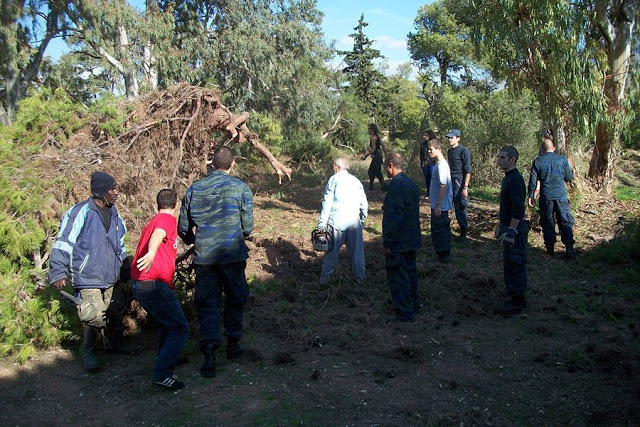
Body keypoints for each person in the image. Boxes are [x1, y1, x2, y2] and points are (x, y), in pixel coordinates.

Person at [178, 145, 254, 378]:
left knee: (208, 303)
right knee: (235, 298)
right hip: (232, 256)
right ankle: (233, 345)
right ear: (232, 165)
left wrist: (196, 239)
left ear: (212, 164)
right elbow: (248, 227)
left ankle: (209, 352)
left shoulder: (195, 189)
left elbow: (183, 227)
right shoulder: (241, 188)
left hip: (206, 258)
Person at [48, 171, 127, 371]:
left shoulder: (115, 213)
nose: (116, 192)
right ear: (101, 192)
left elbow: (121, 244)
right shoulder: (80, 212)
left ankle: (112, 344)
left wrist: (126, 266)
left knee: (113, 310)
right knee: (93, 315)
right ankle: (89, 352)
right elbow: (64, 242)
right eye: (112, 189)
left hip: (110, 275)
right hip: (87, 274)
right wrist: (58, 271)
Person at [131, 189, 190, 390]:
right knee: (180, 328)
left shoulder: (153, 220)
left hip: (144, 285)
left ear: (157, 203)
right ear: (175, 204)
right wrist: (152, 252)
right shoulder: (166, 220)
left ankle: (168, 358)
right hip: (153, 284)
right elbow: (159, 234)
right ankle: (163, 374)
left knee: (168, 325)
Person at [382, 152, 422, 322]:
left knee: (399, 278)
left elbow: (394, 216)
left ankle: (405, 313)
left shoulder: (396, 186)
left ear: (390, 165)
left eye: (385, 167)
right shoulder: (411, 183)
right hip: (411, 238)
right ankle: (414, 305)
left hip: (399, 241)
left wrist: (388, 241)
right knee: (410, 274)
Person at [317, 158, 368, 284]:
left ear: (337, 167)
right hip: (354, 222)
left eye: (333, 166)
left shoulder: (334, 180)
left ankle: (325, 281)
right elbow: (364, 203)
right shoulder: (355, 181)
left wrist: (321, 224)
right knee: (357, 253)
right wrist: (361, 219)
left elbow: (327, 203)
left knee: (331, 253)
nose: (332, 169)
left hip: (337, 221)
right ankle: (360, 280)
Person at [528, 137, 575, 257]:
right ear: (553, 148)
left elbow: (533, 180)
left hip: (546, 196)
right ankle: (569, 248)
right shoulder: (562, 160)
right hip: (561, 196)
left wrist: (531, 195)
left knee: (548, 222)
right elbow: (569, 178)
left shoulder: (538, 161)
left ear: (542, 149)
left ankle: (550, 250)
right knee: (565, 221)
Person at [495, 146, 529, 315]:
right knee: (509, 264)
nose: (499, 160)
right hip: (508, 226)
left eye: (502, 157)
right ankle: (512, 295)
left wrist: (511, 231)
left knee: (516, 264)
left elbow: (518, 209)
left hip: (515, 230)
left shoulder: (515, 180)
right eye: (499, 157)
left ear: (512, 159)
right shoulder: (507, 178)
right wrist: (501, 225)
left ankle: (517, 301)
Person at [427, 139, 453, 263]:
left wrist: (438, 204)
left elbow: (443, 185)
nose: (428, 151)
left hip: (440, 207)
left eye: (431, 149)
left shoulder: (442, 165)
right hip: (437, 205)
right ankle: (441, 254)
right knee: (438, 230)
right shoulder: (438, 164)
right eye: (428, 149)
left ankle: (444, 256)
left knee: (440, 230)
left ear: (439, 149)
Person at [446, 129, 472, 242]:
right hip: (449, 180)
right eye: (449, 137)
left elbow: (468, 170)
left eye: (452, 137)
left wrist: (465, 187)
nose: (450, 139)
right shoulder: (449, 151)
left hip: (459, 181)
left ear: (458, 138)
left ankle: (463, 232)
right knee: (447, 204)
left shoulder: (464, 151)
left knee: (460, 206)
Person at [362, 123, 387, 191]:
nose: (368, 130)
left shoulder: (373, 138)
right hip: (378, 156)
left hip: (376, 157)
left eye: (369, 129)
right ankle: (378, 186)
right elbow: (383, 146)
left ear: (372, 129)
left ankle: (381, 186)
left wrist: (365, 156)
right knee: (375, 171)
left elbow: (373, 149)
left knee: (373, 171)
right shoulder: (377, 137)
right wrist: (386, 154)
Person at [419, 129, 438, 197]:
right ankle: (428, 192)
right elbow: (421, 154)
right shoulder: (423, 144)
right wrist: (422, 163)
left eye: (426, 135)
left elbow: (435, 154)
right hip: (424, 164)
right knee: (427, 178)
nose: (424, 136)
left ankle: (433, 192)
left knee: (432, 178)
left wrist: (430, 161)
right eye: (424, 135)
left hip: (432, 164)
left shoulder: (433, 143)